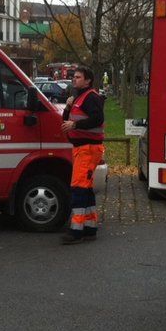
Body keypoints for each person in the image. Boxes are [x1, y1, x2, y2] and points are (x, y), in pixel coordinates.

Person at [60, 66, 105, 244]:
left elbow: (98, 119)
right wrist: (67, 108)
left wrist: (75, 126)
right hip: (82, 148)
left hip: (88, 149)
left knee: (78, 188)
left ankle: (76, 231)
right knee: (85, 188)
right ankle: (89, 228)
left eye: (78, 77)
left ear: (88, 81)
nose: (74, 79)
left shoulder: (91, 97)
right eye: (74, 76)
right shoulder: (79, 98)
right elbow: (67, 122)